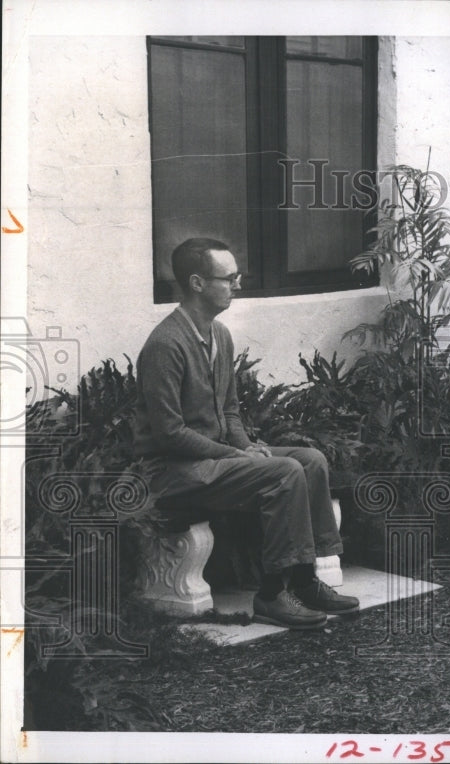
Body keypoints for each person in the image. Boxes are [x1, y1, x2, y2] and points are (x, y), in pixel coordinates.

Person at [134, 237, 359, 629]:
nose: (237, 285)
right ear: (197, 283)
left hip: (214, 462)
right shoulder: (165, 345)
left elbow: (229, 410)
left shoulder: (219, 335)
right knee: (284, 471)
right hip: (173, 472)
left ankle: (305, 581)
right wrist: (236, 455)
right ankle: (271, 595)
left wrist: (246, 445)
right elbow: (170, 434)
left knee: (310, 460)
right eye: (229, 278)